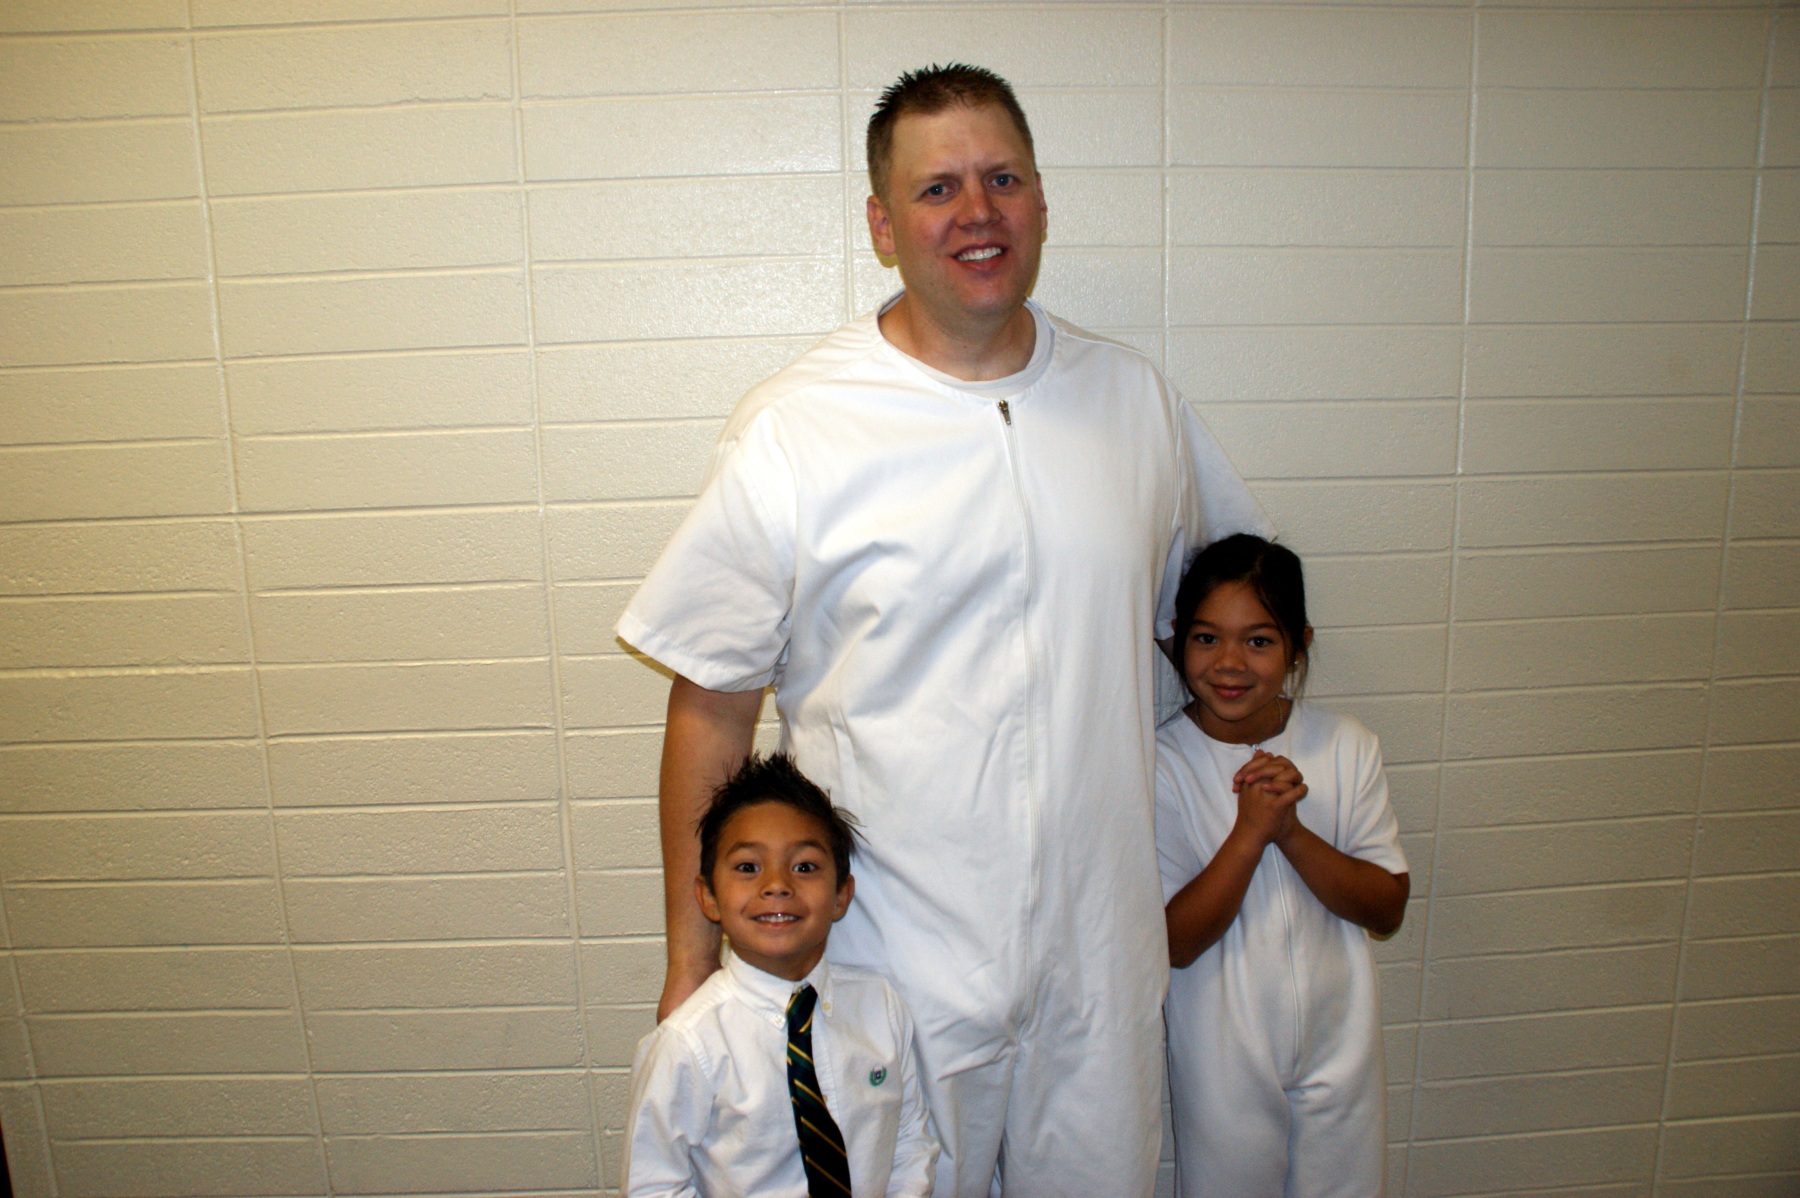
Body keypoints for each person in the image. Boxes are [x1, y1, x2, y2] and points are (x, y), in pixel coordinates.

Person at [617, 63, 1269, 1196]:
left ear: (1042, 201)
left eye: (1002, 178)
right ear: (883, 225)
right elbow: (712, 706)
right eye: (937, 189)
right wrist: (693, 961)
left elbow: (1217, 636)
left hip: (1098, 968)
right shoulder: (798, 427)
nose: (978, 211)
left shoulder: (1134, 404)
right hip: (890, 976)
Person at [1156, 534, 1411, 1196]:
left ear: (1299, 646)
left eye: (1259, 641)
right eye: (1206, 638)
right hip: (1222, 1055)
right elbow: (1176, 943)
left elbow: (1387, 906)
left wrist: (1290, 832)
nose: (1230, 662)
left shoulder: (1345, 746)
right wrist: (1250, 834)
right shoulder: (1160, 766)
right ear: (1177, 641)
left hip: (1342, 1044)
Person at [622, 753, 938, 1197]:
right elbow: (654, 1186)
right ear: (708, 897)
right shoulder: (688, 1043)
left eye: (804, 866)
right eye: (748, 867)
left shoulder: (880, 1006)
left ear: (841, 895)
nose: (777, 885)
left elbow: (909, 1142)